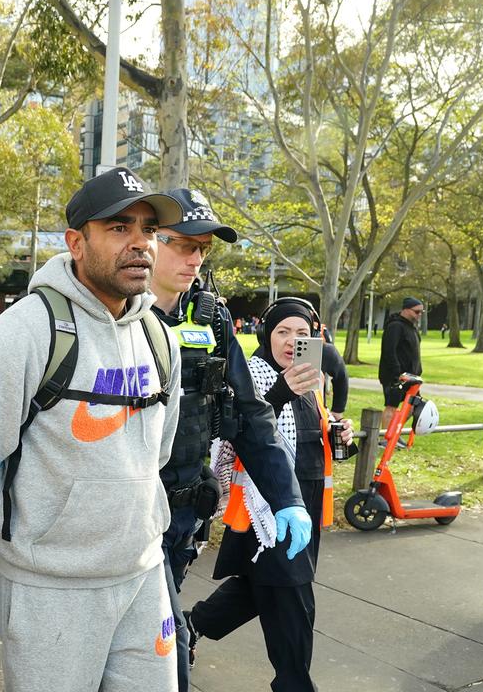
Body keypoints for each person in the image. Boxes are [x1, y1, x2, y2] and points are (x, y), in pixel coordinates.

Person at [0, 167, 309, 692]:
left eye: (148, 230)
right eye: (118, 228)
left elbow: (153, 454)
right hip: (53, 588)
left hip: (144, 572)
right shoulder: (25, 330)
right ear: (76, 242)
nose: (139, 244)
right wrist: (20, 519)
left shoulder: (160, 336)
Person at [148, 187, 312, 688]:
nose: (194, 258)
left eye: (203, 248)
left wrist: (287, 498)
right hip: (116, 520)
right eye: (181, 244)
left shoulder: (212, 320)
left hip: (179, 515)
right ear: (147, 241)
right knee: (144, 652)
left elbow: (250, 416)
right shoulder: (114, 314)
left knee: (161, 646)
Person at [191, 297, 354, 692]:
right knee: (294, 602)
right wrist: (282, 390)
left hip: (308, 506)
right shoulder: (254, 372)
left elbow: (308, 436)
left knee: (259, 589)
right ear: (267, 333)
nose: (291, 341)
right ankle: (294, 685)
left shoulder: (311, 379)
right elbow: (244, 429)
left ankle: (189, 625)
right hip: (267, 507)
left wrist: (338, 432)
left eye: (302, 333)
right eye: (283, 332)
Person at [379, 297, 423, 428]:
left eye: (421, 312)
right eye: (417, 312)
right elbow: (389, 351)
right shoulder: (395, 326)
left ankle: (394, 432)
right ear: (406, 310)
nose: (419, 315)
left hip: (411, 377)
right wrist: (397, 373)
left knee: (413, 406)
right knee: (391, 406)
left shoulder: (412, 328)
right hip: (395, 376)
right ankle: (384, 438)